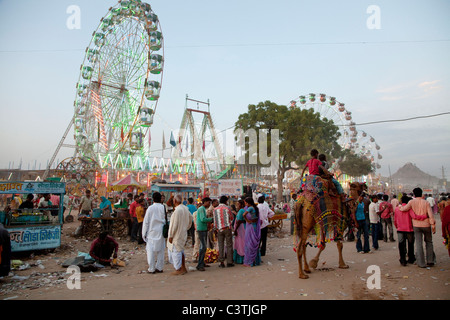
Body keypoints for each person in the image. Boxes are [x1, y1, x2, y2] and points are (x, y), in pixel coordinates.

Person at [398, 187, 436, 268]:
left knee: (419, 244)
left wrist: (400, 207)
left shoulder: (411, 202)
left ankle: (421, 263)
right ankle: (430, 261)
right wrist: (433, 225)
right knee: (429, 242)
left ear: (414, 194)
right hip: (426, 224)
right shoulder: (426, 203)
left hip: (416, 225)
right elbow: (430, 214)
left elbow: (404, 209)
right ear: (422, 193)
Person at [394, 195, 427, 266]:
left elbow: (395, 219)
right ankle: (411, 258)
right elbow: (414, 217)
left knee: (401, 244)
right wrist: (424, 216)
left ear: (402, 201)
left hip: (400, 229)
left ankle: (402, 259)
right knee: (410, 244)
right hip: (409, 229)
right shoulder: (410, 209)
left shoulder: (397, 209)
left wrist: (397, 226)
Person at [167, 194, 193, 275]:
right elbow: (190, 219)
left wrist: (171, 235)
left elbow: (174, 225)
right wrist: (186, 228)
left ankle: (178, 269)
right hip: (183, 232)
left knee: (176, 251)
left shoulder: (178, 211)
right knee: (180, 250)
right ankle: (183, 267)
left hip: (177, 234)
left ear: (175, 201)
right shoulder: (185, 208)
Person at [142, 192, 166, 274]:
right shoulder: (163, 207)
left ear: (153, 199)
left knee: (150, 251)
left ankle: (151, 268)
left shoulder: (150, 208)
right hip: (161, 231)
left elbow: (146, 221)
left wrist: (143, 233)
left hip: (151, 232)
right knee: (161, 251)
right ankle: (159, 267)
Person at [213, 195, 234, 268]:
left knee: (221, 245)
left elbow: (215, 220)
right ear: (226, 201)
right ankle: (229, 262)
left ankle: (221, 262)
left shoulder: (215, 209)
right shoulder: (227, 208)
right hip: (227, 228)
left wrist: (215, 229)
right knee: (229, 245)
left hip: (219, 229)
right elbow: (231, 218)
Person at [243, 197, 261, 267]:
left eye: (246, 203)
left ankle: (250, 261)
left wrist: (247, 220)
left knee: (249, 243)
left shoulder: (250, 208)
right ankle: (255, 261)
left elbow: (244, 214)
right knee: (254, 244)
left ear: (248, 203)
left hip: (250, 227)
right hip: (255, 226)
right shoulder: (255, 208)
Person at [196, 197, 213, 271]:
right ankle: (200, 264)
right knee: (203, 247)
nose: (209, 204)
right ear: (205, 202)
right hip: (201, 229)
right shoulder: (201, 209)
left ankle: (202, 262)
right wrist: (211, 219)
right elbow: (203, 219)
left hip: (203, 229)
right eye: (209, 203)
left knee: (203, 247)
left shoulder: (202, 209)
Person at [233, 199, 246, 264]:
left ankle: (241, 257)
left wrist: (235, 230)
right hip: (241, 227)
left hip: (240, 228)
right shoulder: (241, 210)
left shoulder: (241, 211)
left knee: (241, 242)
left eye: (238, 204)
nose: (237, 205)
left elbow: (239, 221)